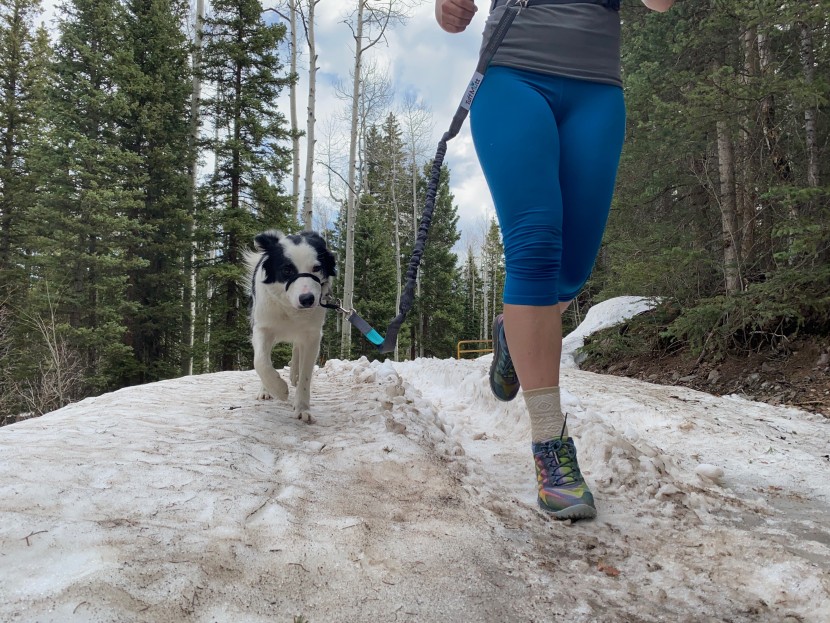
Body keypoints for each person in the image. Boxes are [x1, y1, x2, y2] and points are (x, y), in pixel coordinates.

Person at [435, 0, 675, 520]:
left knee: (572, 268)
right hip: (512, 75)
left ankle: (511, 334)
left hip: (597, 89)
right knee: (536, 245)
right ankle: (551, 447)